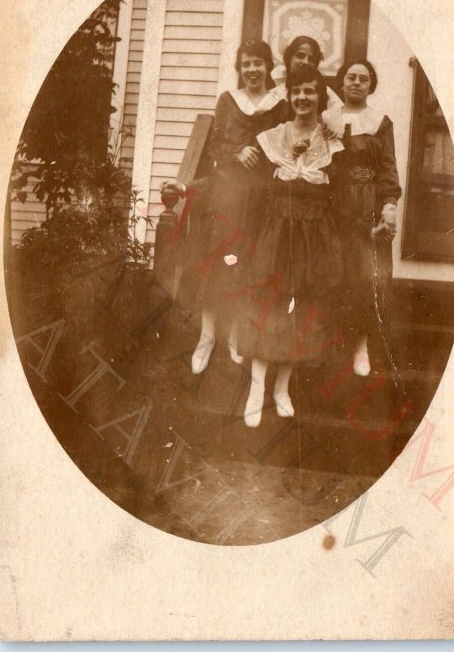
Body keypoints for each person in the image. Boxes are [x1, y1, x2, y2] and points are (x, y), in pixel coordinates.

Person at [164, 39, 287, 375]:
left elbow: (284, 143)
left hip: (261, 199)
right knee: (217, 262)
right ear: (239, 68)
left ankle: (234, 335)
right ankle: (206, 337)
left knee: (245, 265)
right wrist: (237, 152)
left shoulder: (279, 105)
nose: (252, 70)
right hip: (227, 195)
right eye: (246, 63)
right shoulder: (228, 101)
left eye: (258, 63)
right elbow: (216, 142)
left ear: (268, 67)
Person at [236, 64, 344, 428]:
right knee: (269, 306)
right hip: (278, 231)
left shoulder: (330, 139)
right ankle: (256, 390)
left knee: (301, 311)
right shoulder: (275, 135)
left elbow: (341, 186)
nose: (302, 97)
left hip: (313, 234)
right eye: (297, 90)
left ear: (320, 97)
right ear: (290, 95)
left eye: (310, 91)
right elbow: (257, 188)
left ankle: (282, 389)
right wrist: (287, 160)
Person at [322, 59, 401, 377]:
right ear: (341, 83)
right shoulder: (326, 118)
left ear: (371, 85)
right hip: (331, 205)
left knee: (364, 277)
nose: (356, 83)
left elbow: (387, 167)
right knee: (331, 272)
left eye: (363, 79)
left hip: (365, 206)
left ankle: (361, 346)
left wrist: (389, 206)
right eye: (350, 77)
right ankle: (327, 345)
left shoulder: (380, 121)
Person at [271, 35, 342, 111]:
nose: (306, 62)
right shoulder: (273, 84)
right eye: (300, 56)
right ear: (289, 58)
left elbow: (339, 117)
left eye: (311, 59)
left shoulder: (325, 91)